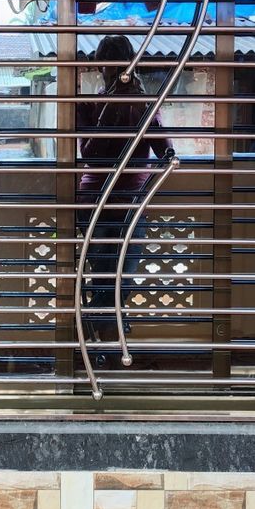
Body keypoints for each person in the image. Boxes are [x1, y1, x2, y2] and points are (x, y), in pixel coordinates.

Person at [76, 35, 174, 340]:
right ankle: (107, 330)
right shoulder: (92, 104)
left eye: (115, 63)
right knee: (109, 270)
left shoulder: (143, 103)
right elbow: (90, 154)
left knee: (117, 272)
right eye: (107, 64)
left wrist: (139, 107)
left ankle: (100, 330)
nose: (110, 70)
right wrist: (112, 107)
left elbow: (166, 154)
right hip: (101, 199)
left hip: (126, 200)